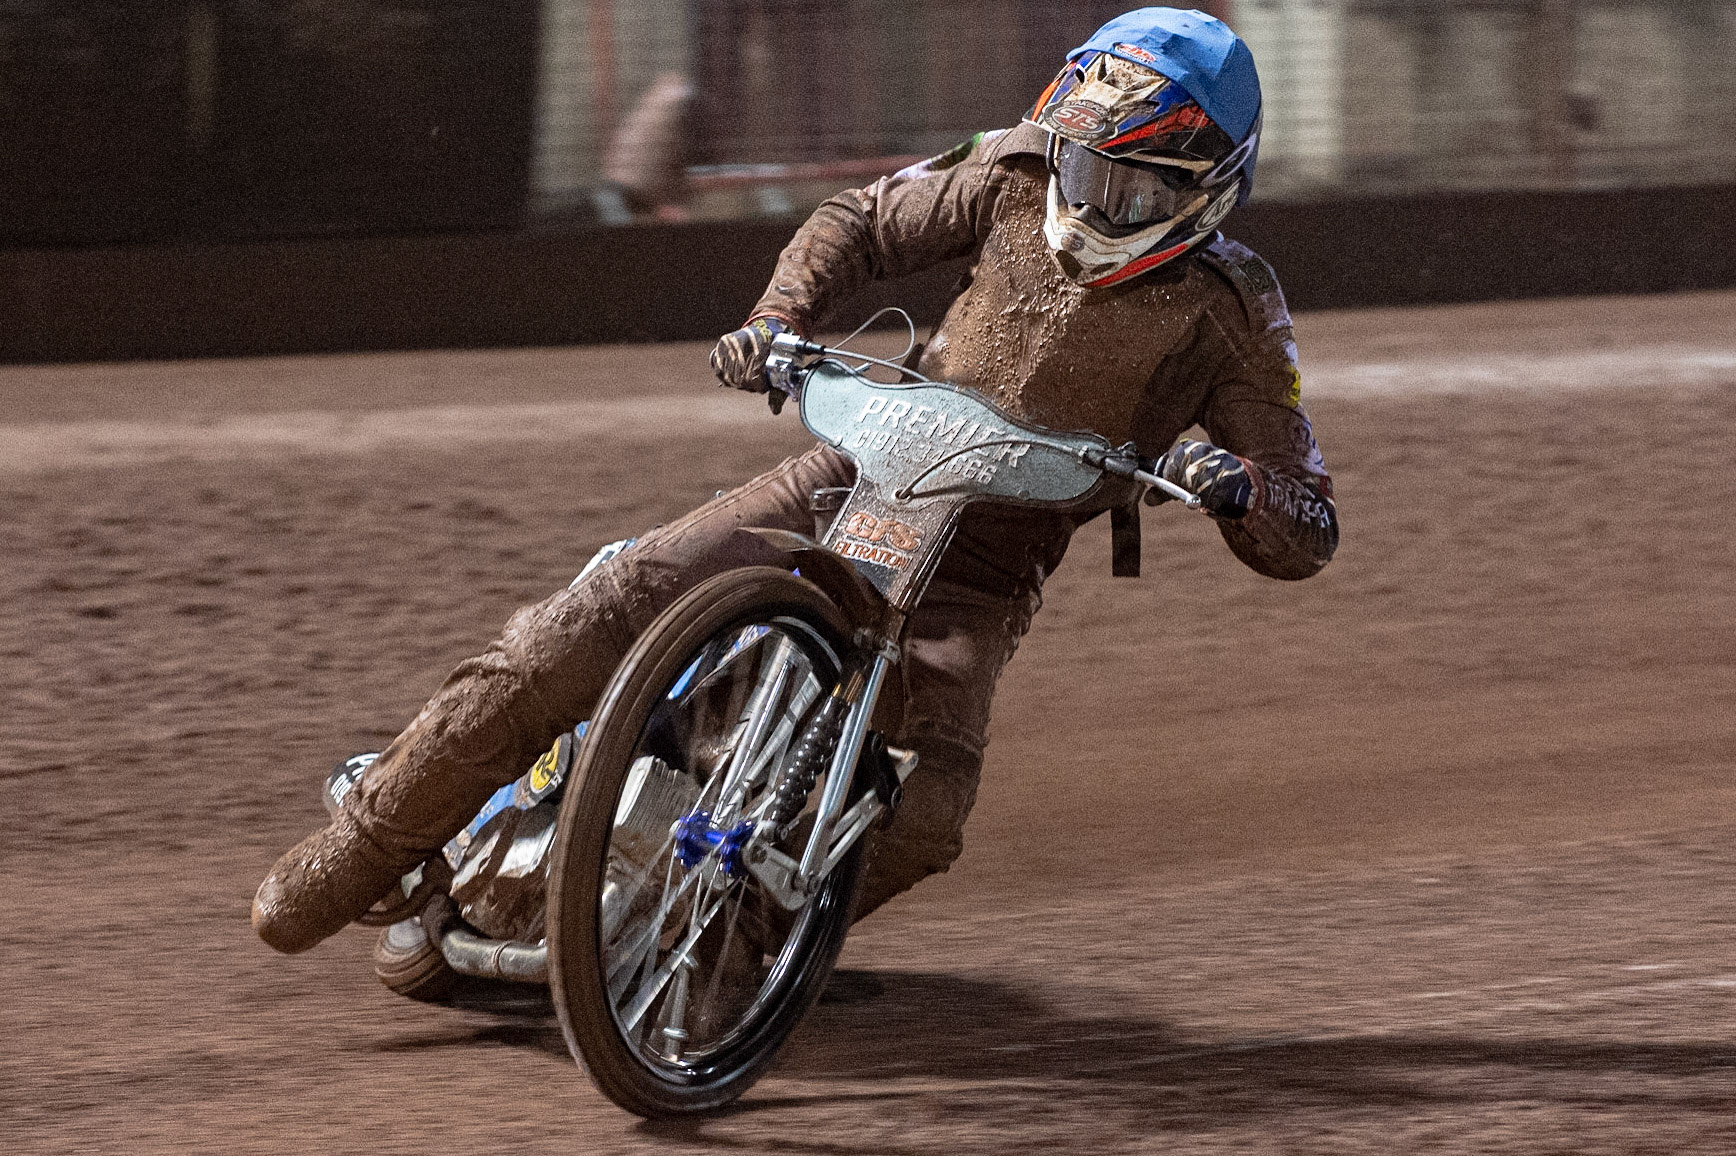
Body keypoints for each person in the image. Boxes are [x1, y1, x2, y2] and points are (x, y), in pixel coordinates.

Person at [253, 7, 1339, 955]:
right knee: (600, 609)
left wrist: (1236, 488)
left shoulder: (1233, 312)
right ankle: (367, 844)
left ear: (1205, 188)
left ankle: (743, 962)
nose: (1086, 198)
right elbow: (858, 220)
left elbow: (1306, 520)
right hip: (853, 471)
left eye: (1122, 184)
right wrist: (776, 320)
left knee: (926, 812)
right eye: (1076, 165)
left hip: (984, 567)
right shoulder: (1011, 174)